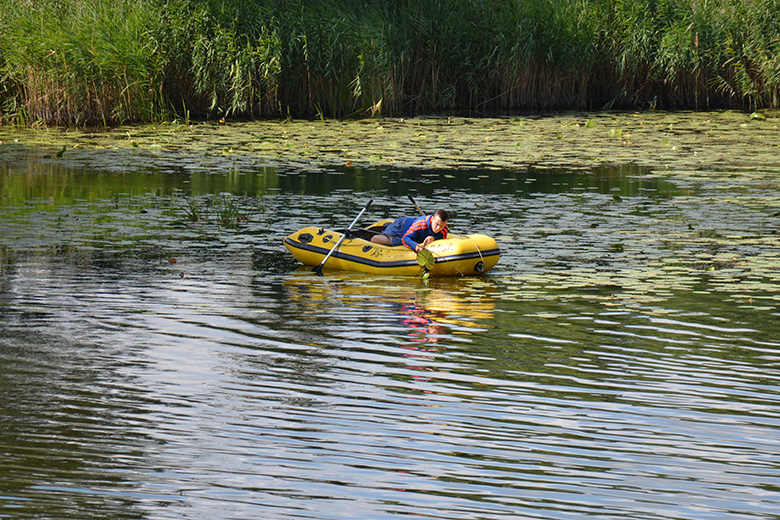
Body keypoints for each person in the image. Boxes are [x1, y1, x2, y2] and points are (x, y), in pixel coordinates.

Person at [371, 209, 449, 252]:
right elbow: (405, 238)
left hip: (416, 234)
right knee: (397, 242)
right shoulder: (420, 224)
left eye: (441, 226)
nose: (438, 228)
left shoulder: (444, 229)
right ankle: (377, 234)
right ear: (432, 219)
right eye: (437, 224)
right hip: (401, 228)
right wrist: (416, 247)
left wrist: (434, 238)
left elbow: (442, 239)